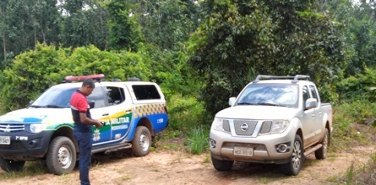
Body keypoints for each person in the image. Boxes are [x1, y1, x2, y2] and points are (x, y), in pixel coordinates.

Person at [70, 79, 103, 185]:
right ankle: (84, 183)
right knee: (85, 159)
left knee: (84, 158)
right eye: (91, 90)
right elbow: (83, 119)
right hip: (83, 131)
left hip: (78, 129)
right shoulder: (81, 98)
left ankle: (84, 181)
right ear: (87, 87)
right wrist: (95, 122)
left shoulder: (75, 94)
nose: (91, 93)